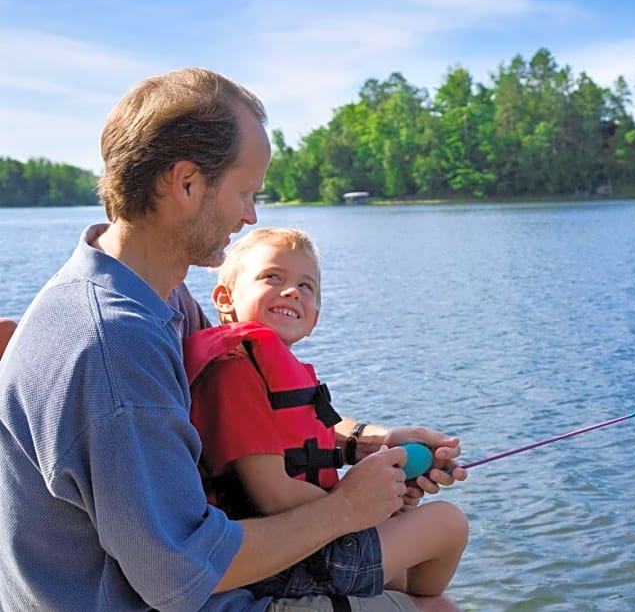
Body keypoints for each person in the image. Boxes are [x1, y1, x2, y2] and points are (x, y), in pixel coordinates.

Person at [0, 67, 466, 612]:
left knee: (407, 574)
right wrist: (349, 508)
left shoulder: (157, 297)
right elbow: (179, 575)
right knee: (437, 608)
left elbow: (260, 412)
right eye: (245, 192)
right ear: (187, 183)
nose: (251, 215)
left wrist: (363, 443)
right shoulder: (113, 348)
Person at [186, 227, 468, 601]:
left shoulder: (264, 369)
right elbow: (272, 495)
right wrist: (364, 508)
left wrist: (385, 489)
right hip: (282, 561)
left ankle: (417, 595)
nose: (292, 291)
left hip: (307, 545)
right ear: (225, 298)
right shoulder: (233, 374)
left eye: (307, 286)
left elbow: (309, 447)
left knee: (412, 563)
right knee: (447, 523)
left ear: (315, 316)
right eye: (273, 276)